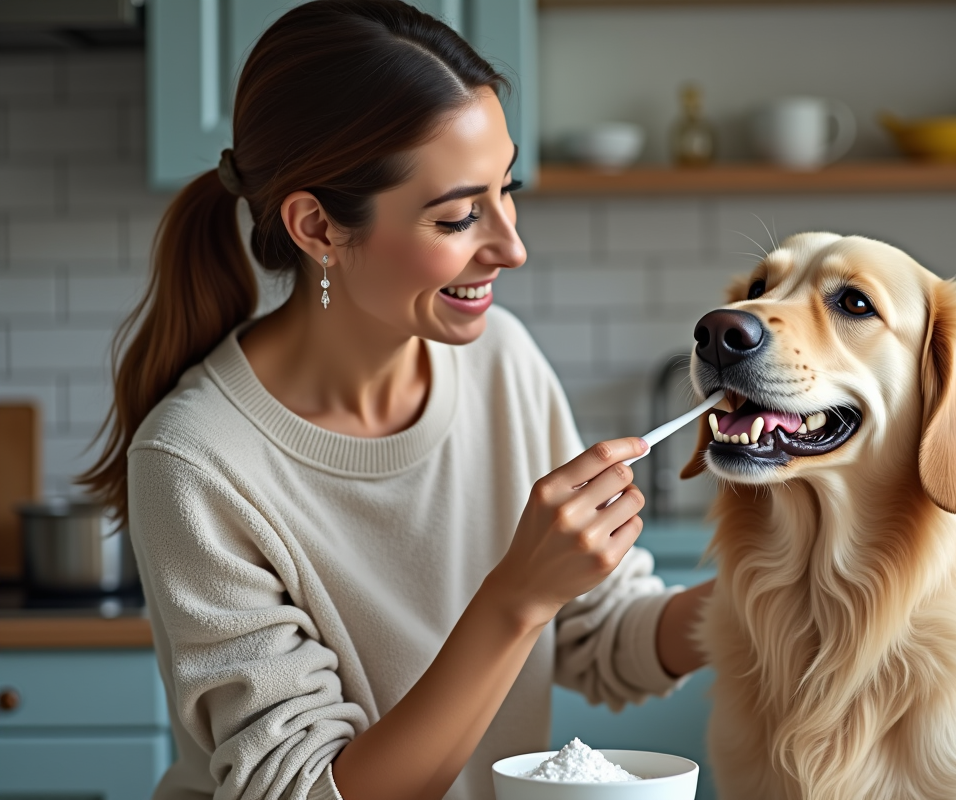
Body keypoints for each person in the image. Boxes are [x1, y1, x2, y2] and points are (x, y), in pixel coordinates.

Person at [80, 3, 712, 799]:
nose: (511, 246)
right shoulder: (197, 462)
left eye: (505, 189)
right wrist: (517, 595)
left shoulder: (503, 362)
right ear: (317, 226)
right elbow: (310, 789)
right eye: (457, 216)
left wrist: (770, 604)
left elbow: (596, 632)